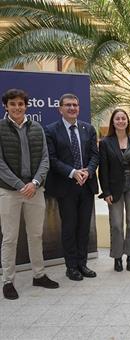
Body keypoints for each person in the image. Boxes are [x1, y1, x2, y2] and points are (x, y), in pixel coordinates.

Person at [0, 89, 59, 300]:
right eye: (13, 104)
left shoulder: (37, 128)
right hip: (9, 191)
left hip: (35, 190)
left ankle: (39, 274)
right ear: (6, 106)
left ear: (26, 106)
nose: (17, 107)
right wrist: (19, 184)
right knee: (10, 238)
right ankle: (8, 281)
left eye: (21, 104)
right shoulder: (0, 128)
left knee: (35, 235)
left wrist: (34, 183)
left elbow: (45, 159)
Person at [45, 93, 99, 281]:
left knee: (84, 227)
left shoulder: (88, 129)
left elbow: (95, 156)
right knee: (69, 227)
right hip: (65, 187)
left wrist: (88, 171)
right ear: (60, 109)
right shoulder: (51, 130)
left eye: (75, 105)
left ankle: (82, 264)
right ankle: (71, 267)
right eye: (68, 105)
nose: (72, 108)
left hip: (86, 186)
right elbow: (51, 159)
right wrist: (73, 172)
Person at [98, 108, 130, 272]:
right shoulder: (105, 143)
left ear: (127, 121)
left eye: (123, 118)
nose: (120, 121)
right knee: (116, 224)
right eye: (117, 119)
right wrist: (106, 191)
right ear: (113, 122)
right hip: (114, 188)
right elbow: (103, 169)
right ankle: (117, 257)